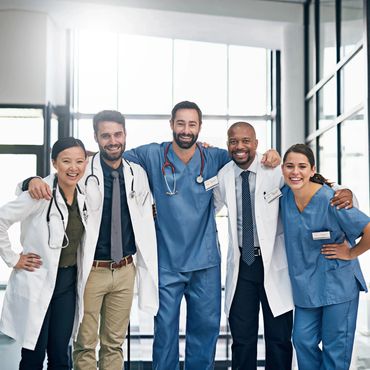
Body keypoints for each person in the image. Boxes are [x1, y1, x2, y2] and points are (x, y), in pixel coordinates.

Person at [122, 102, 281, 369]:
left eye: (192, 124)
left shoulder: (215, 158)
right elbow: (112, 156)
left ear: (200, 127)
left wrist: (272, 155)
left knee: (205, 332)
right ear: (171, 124)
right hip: (167, 262)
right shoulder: (152, 155)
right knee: (165, 334)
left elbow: (246, 154)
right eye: (181, 123)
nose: (186, 130)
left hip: (205, 263)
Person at [213, 122, 354, 370]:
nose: (240, 146)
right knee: (242, 339)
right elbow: (208, 206)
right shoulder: (224, 176)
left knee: (279, 339)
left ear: (256, 143)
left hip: (274, 266)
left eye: (246, 140)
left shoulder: (275, 170)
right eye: (234, 141)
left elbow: (309, 182)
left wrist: (345, 190)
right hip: (242, 268)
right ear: (228, 145)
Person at [24, 110, 158, 370]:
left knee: (114, 344)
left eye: (117, 134)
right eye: (105, 135)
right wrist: (31, 180)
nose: (112, 140)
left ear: (125, 135)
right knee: (85, 343)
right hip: (92, 270)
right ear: (96, 138)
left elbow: (145, 213)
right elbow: (44, 184)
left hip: (125, 270)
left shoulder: (137, 173)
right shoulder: (83, 171)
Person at [0, 137, 92, 369]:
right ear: (54, 163)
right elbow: (1, 218)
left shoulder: (85, 194)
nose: (73, 167)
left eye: (79, 161)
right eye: (66, 161)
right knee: (33, 355)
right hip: (37, 281)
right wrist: (13, 259)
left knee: (60, 355)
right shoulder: (40, 193)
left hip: (67, 283)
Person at [280, 143, 370, 370]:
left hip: (338, 286)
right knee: (302, 340)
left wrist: (351, 252)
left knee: (335, 349)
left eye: (302, 166)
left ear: (312, 170)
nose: (295, 172)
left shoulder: (332, 200)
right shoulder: (284, 198)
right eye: (289, 166)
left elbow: (368, 230)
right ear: (282, 169)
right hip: (306, 288)